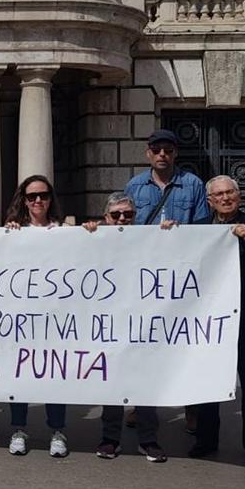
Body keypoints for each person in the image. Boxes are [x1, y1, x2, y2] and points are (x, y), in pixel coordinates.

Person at [188, 176, 245, 466]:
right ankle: (205, 439)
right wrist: (170, 234)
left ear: (238, 196)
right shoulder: (199, 229)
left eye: (230, 193)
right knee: (208, 378)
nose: (225, 198)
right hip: (210, 316)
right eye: (219, 194)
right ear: (209, 201)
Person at [125, 128, 209, 433]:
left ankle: (191, 406)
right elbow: (124, 226)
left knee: (185, 343)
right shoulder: (135, 186)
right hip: (145, 277)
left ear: (175, 154)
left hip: (181, 275)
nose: (163, 155)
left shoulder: (193, 184)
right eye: (157, 149)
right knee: (143, 341)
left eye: (169, 150)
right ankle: (139, 403)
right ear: (148, 152)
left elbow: (202, 228)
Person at [82, 192, 169, 463]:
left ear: (136, 217)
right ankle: (110, 439)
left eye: (128, 215)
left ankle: (148, 440)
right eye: (116, 214)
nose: (122, 219)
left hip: (142, 324)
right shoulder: (96, 240)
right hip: (108, 325)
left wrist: (172, 235)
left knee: (144, 383)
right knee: (112, 383)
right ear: (106, 218)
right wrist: (86, 233)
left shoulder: (150, 238)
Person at [2, 175, 69, 458]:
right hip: (22, 317)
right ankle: (18, 429)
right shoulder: (14, 231)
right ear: (24, 200)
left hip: (55, 317)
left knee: (55, 374)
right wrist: (6, 236)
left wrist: (87, 232)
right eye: (32, 197)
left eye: (43, 195)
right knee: (20, 373)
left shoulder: (64, 230)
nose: (38, 201)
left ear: (51, 198)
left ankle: (57, 431)